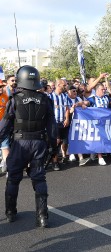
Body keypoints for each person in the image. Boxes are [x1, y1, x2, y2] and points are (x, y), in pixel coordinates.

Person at [0, 65, 57, 227]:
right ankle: (42, 217)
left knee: (13, 178)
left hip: (19, 143)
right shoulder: (46, 100)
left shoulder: (15, 99)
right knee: (39, 178)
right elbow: (52, 126)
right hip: (39, 143)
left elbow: (4, 125)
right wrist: (53, 145)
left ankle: (10, 213)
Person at [0, 79, 10, 173]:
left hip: (3, 126)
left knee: (5, 147)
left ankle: (8, 170)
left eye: (1, 87)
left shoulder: (5, 97)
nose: (0, 89)